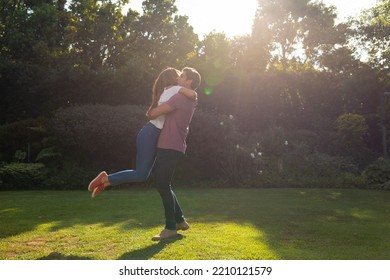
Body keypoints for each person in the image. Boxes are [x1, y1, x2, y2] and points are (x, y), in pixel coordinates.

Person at [88, 67, 197, 198]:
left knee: (142, 175)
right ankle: (105, 178)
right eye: (178, 75)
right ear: (172, 79)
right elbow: (192, 94)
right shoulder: (174, 89)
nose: (179, 78)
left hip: (151, 134)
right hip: (151, 134)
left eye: (182, 76)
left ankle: (105, 182)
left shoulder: (166, 91)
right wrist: (191, 92)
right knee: (140, 174)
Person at [146, 67, 201, 241]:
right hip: (173, 145)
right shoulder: (188, 98)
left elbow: (153, 114)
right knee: (165, 184)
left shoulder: (180, 96)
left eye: (182, 76)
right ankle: (180, 221)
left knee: (162, 184)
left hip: (169, 144)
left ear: (189, 81)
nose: (178, 79)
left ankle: (170, 228)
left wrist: (152, 108)